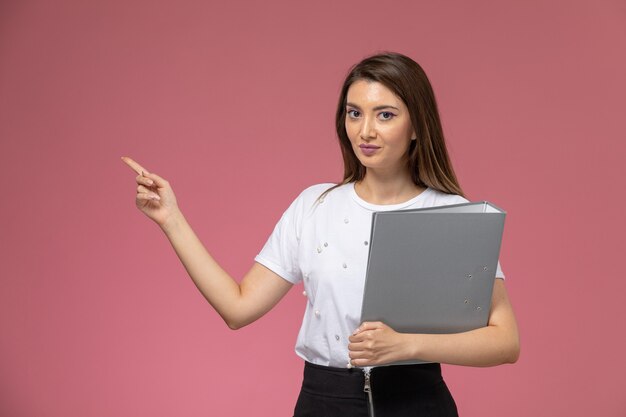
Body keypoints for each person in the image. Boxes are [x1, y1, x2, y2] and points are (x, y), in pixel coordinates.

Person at [122, 52, 520, 417]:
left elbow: (505, 341)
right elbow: (237, 308)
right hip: (322, 402)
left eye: (385, 115)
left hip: (417, 401)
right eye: (354, 113)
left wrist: (409, 345)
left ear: (417, 126)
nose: (366, 130)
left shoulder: (449, 213)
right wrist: (171, 219)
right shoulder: (314, 206)